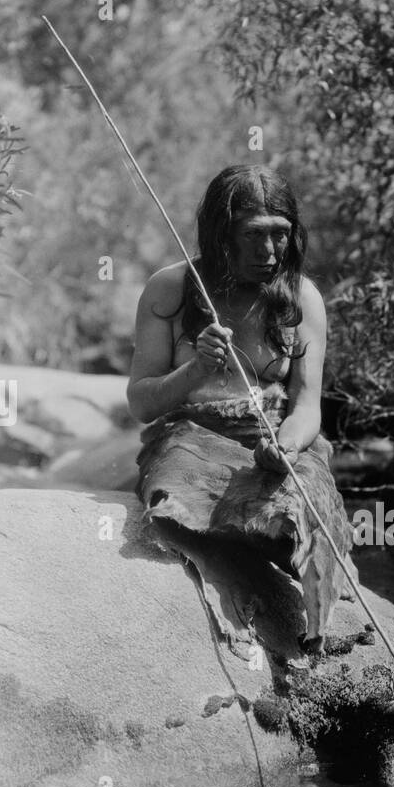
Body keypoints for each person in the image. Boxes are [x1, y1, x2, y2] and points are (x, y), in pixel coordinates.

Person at [128, 165, 352, 654]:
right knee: (178, 497)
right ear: (221, 234)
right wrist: (193, 373)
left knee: (301, 509)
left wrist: (286, 447)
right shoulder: (170, 290)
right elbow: (141, 404)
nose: (269, 252)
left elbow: (307, 407)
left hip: (276, 437)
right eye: (253, 235)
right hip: (191, 437)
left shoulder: (301, 298)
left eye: (280, 236)